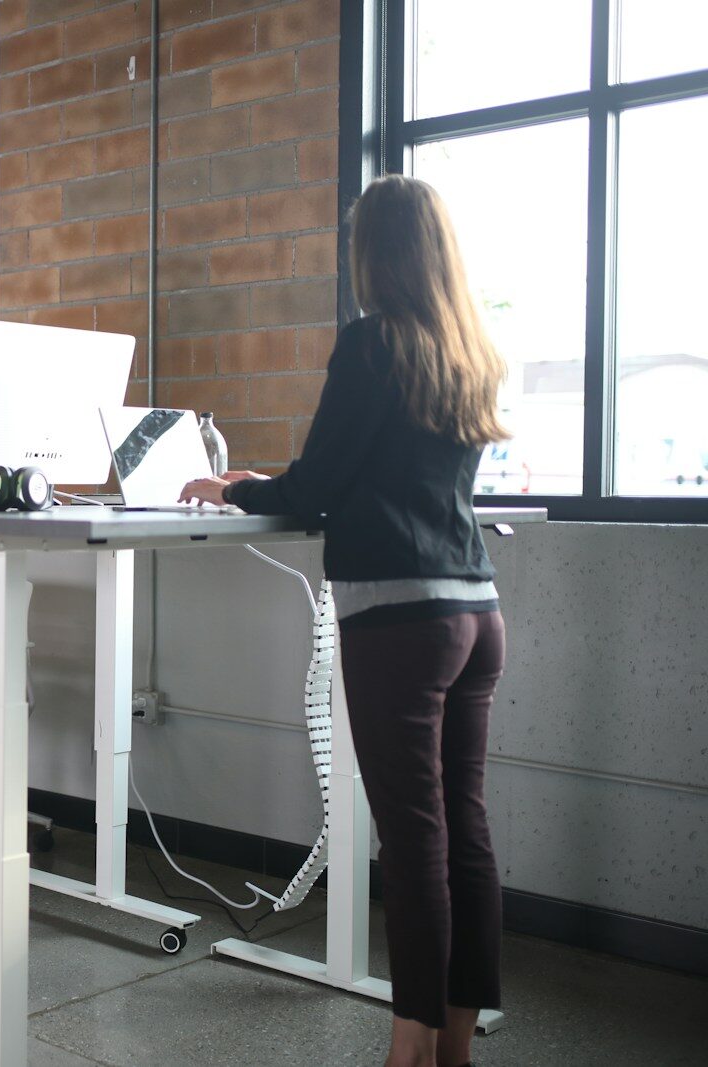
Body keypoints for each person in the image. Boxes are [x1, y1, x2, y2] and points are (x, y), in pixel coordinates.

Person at [182, 175, 510, 1067]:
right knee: (463, 827)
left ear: (374, 251)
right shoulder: (465, 350)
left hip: (400, 621)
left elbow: (317, 484)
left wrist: (236, 486)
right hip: (476, 612)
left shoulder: (373, 345)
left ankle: (408, 1048)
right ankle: (453, 1045)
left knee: (415, 840)